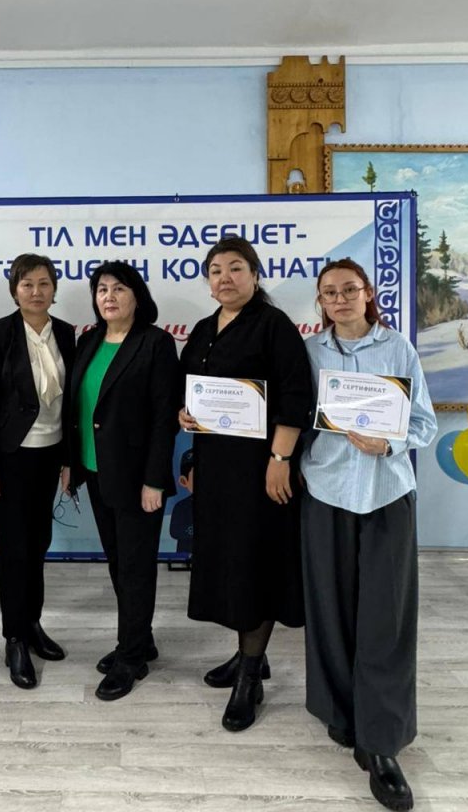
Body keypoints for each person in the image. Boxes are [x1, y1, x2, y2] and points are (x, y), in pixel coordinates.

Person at [300, 259, 437, 812]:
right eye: (329, 292)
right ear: (320, 301)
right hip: (326, 492)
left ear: (368, 293)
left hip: (386, 495)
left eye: (349, 289)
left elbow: (424, 422)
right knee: (330, 611)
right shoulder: (310, 353)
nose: (340, 299)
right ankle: (341, 713)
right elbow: (292, 417)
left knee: (386, 618)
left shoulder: (397, 348)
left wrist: (389, 442)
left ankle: (381, 742)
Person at [179, 236, 312, 731]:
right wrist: (185, 417)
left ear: (255, 275)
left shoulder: (274, 326)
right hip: (217, 470)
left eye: (236, 268)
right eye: (216, 270)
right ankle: (247, 655)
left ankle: (250, 679)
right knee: (232, 566)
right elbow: (190, 392)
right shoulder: (203, 328)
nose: (225, 278)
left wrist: (280, 458)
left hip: (262, 471)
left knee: (257, 567)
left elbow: (296, 396)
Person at [66, 260, 180, 701]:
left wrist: (154, 480)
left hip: (137, 479)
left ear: (137, 296)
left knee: (135, 568)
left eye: (119, 288)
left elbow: (163, 418)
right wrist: (71, 463)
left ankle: (131, 657)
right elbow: (78, 411)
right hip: (96, 471)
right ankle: (141, 638)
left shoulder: (155, 343)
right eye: (101, 289)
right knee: (119, 563)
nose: (109, 296)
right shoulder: (89, 340)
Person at [0, 253, 75, 689]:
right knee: (13, 550)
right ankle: (14, 638)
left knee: (38, 545)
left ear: (54, 289)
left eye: (44, 283)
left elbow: (72, 404)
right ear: (14, 290)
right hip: (10, 458)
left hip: (50, 455)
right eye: (27, 284)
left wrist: (69, 459)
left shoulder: (66, 333)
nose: (36, 292)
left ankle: (32, 624)